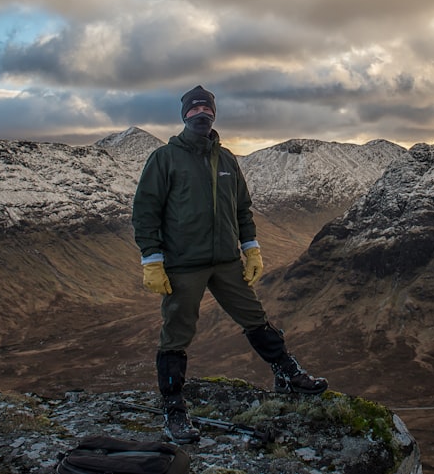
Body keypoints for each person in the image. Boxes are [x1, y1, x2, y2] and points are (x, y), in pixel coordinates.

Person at [132, 84, 328, 444]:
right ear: (183, 116)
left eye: (206, 109)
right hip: (183, 265)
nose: (200, 115)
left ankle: (287, 373)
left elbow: (242, 210)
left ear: (214, 114)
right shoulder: (164, 159)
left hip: (225, 261)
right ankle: (174, 409)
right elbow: (145, 211)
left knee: (254, 317)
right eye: (193, 110)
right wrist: (152, 259)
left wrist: (251, 248)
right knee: (176, 333)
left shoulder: (227, 160)